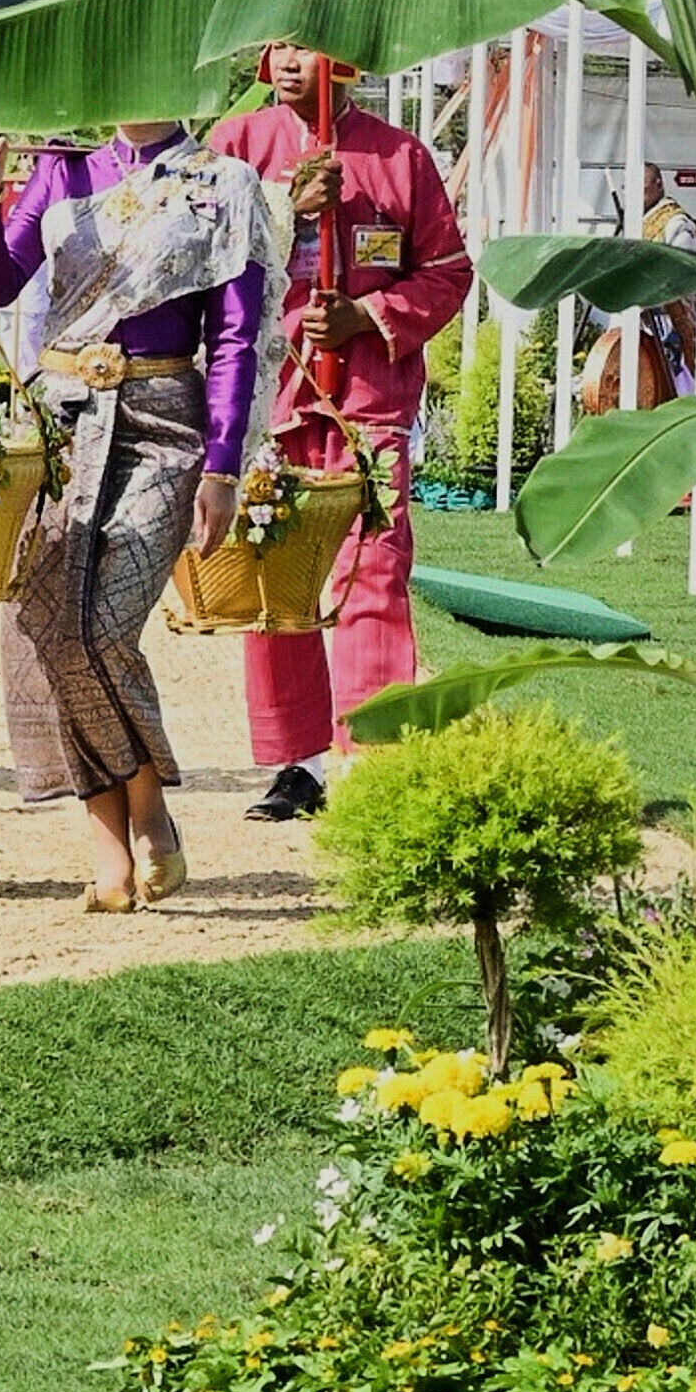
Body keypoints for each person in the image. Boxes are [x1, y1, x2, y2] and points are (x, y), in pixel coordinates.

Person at [0, 114, 274, 911]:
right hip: (61, 424)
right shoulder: (64, 169)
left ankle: (148, 808)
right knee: (48, 628)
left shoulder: (222, 183)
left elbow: (235, 335)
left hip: (163, 426)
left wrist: (223, 463)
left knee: (101, 629)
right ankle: (111, 844)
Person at [216, 41, 473, 822]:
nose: (292, 60)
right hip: (270, 398)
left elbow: (449, 270)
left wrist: (366, 314)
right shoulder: (235, 145)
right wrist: (283, 208)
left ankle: (371, 761)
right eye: (282, 44)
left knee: (374, 571)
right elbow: (196, 257)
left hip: (368, 403)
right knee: (279, 578)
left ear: (346, 56)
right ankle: (296, 764)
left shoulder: (401, 157)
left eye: (310, 44)